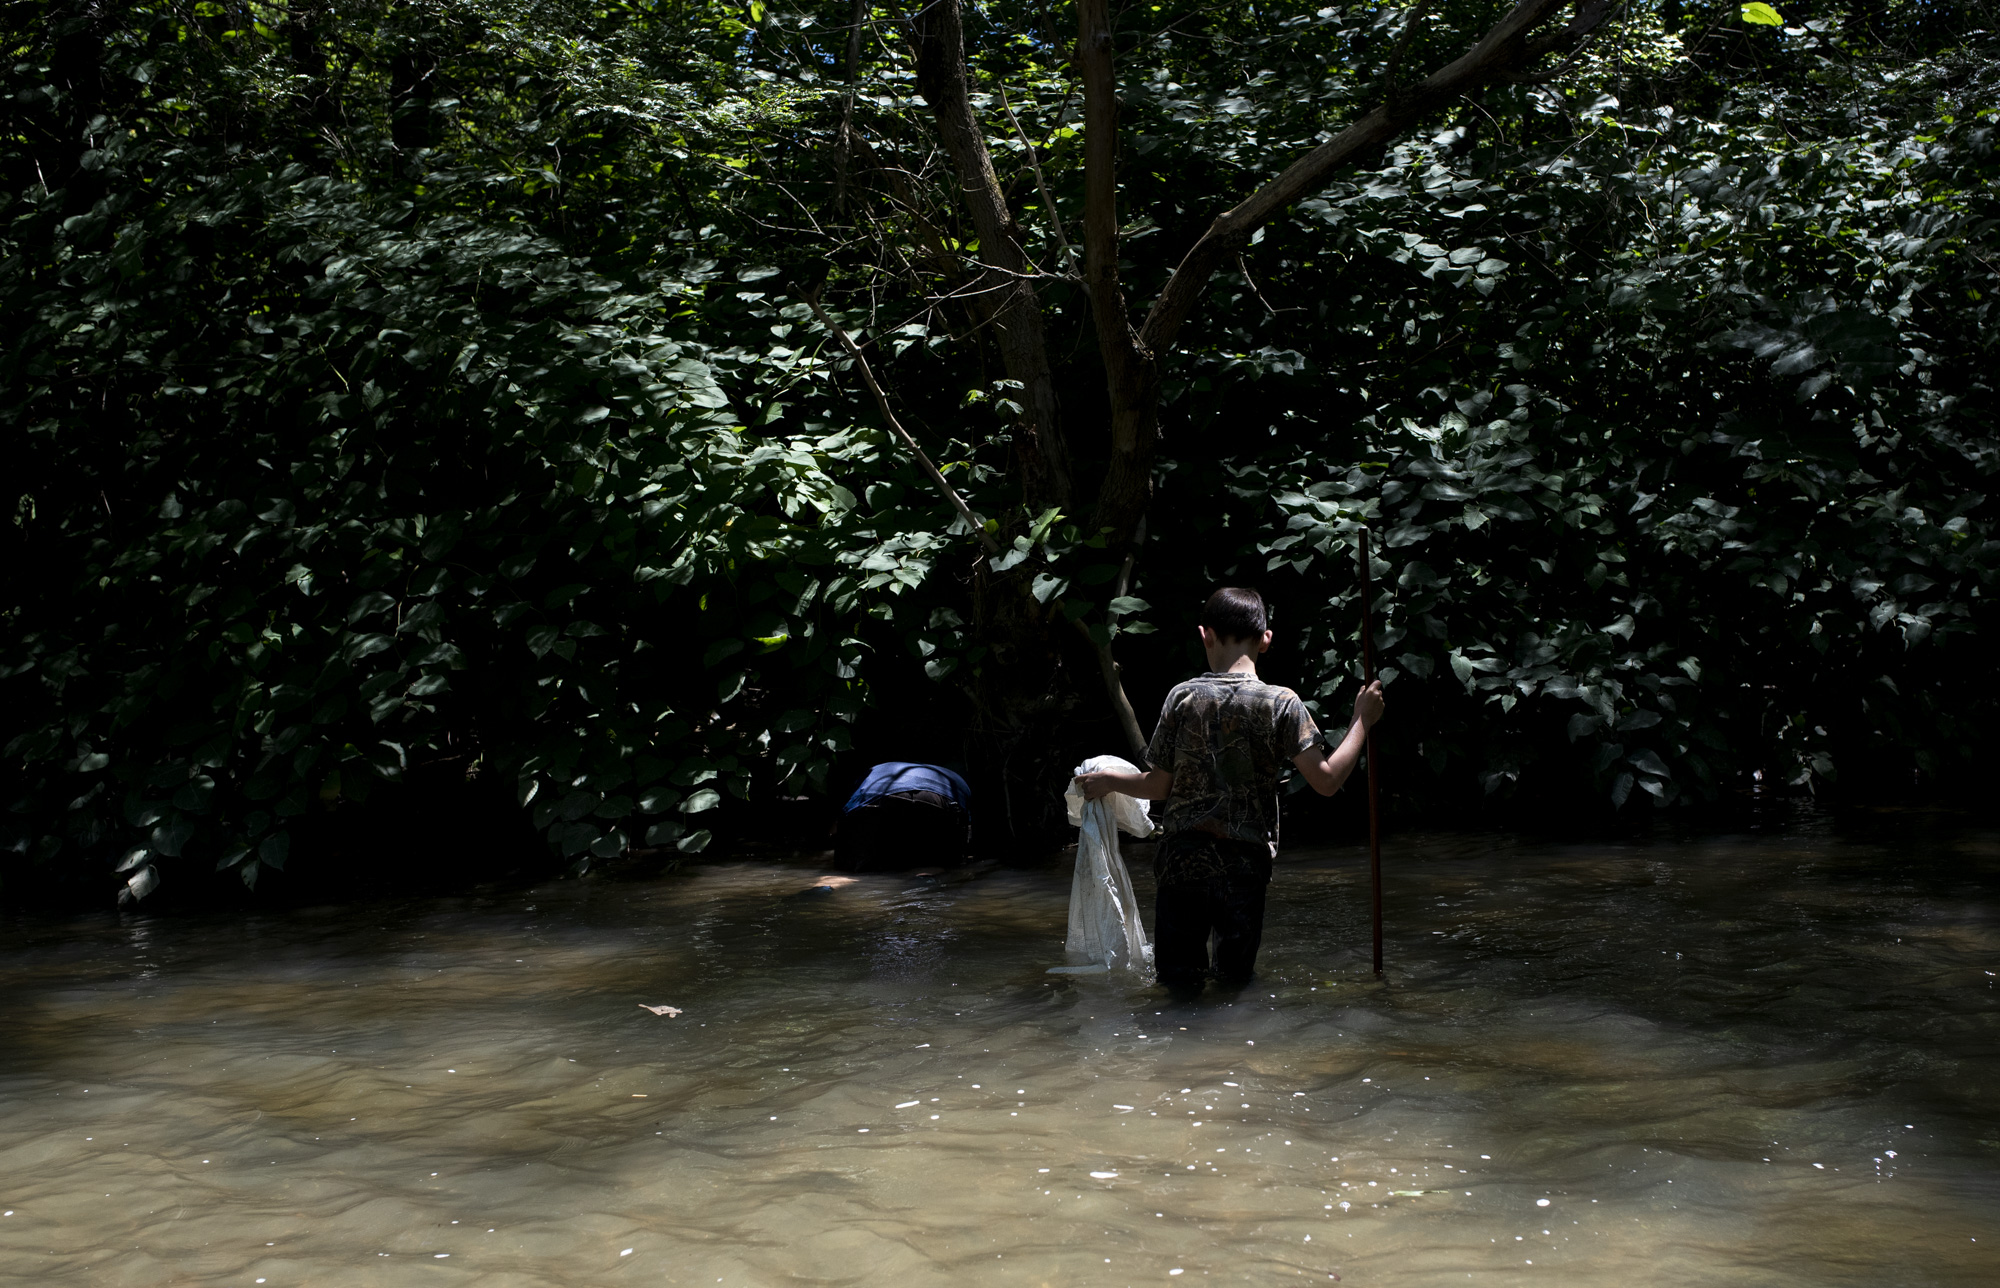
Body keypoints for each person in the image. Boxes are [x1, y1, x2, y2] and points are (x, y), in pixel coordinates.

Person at [1074, 587, 1385, 992]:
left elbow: (1159, 787)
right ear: (1266, 639)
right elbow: (1326, 781)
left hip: (1183, 865)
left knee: (1177, 988)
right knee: (1235, 987)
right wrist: (1362, 720)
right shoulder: (1282, 703)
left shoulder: (1183, 697)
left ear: (1206, 635)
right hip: (1245, 867)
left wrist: (1109, 781)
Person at [835, 761, 972, 871]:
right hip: (939, 799)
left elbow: (847, 812)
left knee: (853, 867)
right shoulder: (956, 779)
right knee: (939, 865)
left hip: (878, 795)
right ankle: (926, 878)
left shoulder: (874, 771)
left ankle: (825, 888)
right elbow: (966, 832)